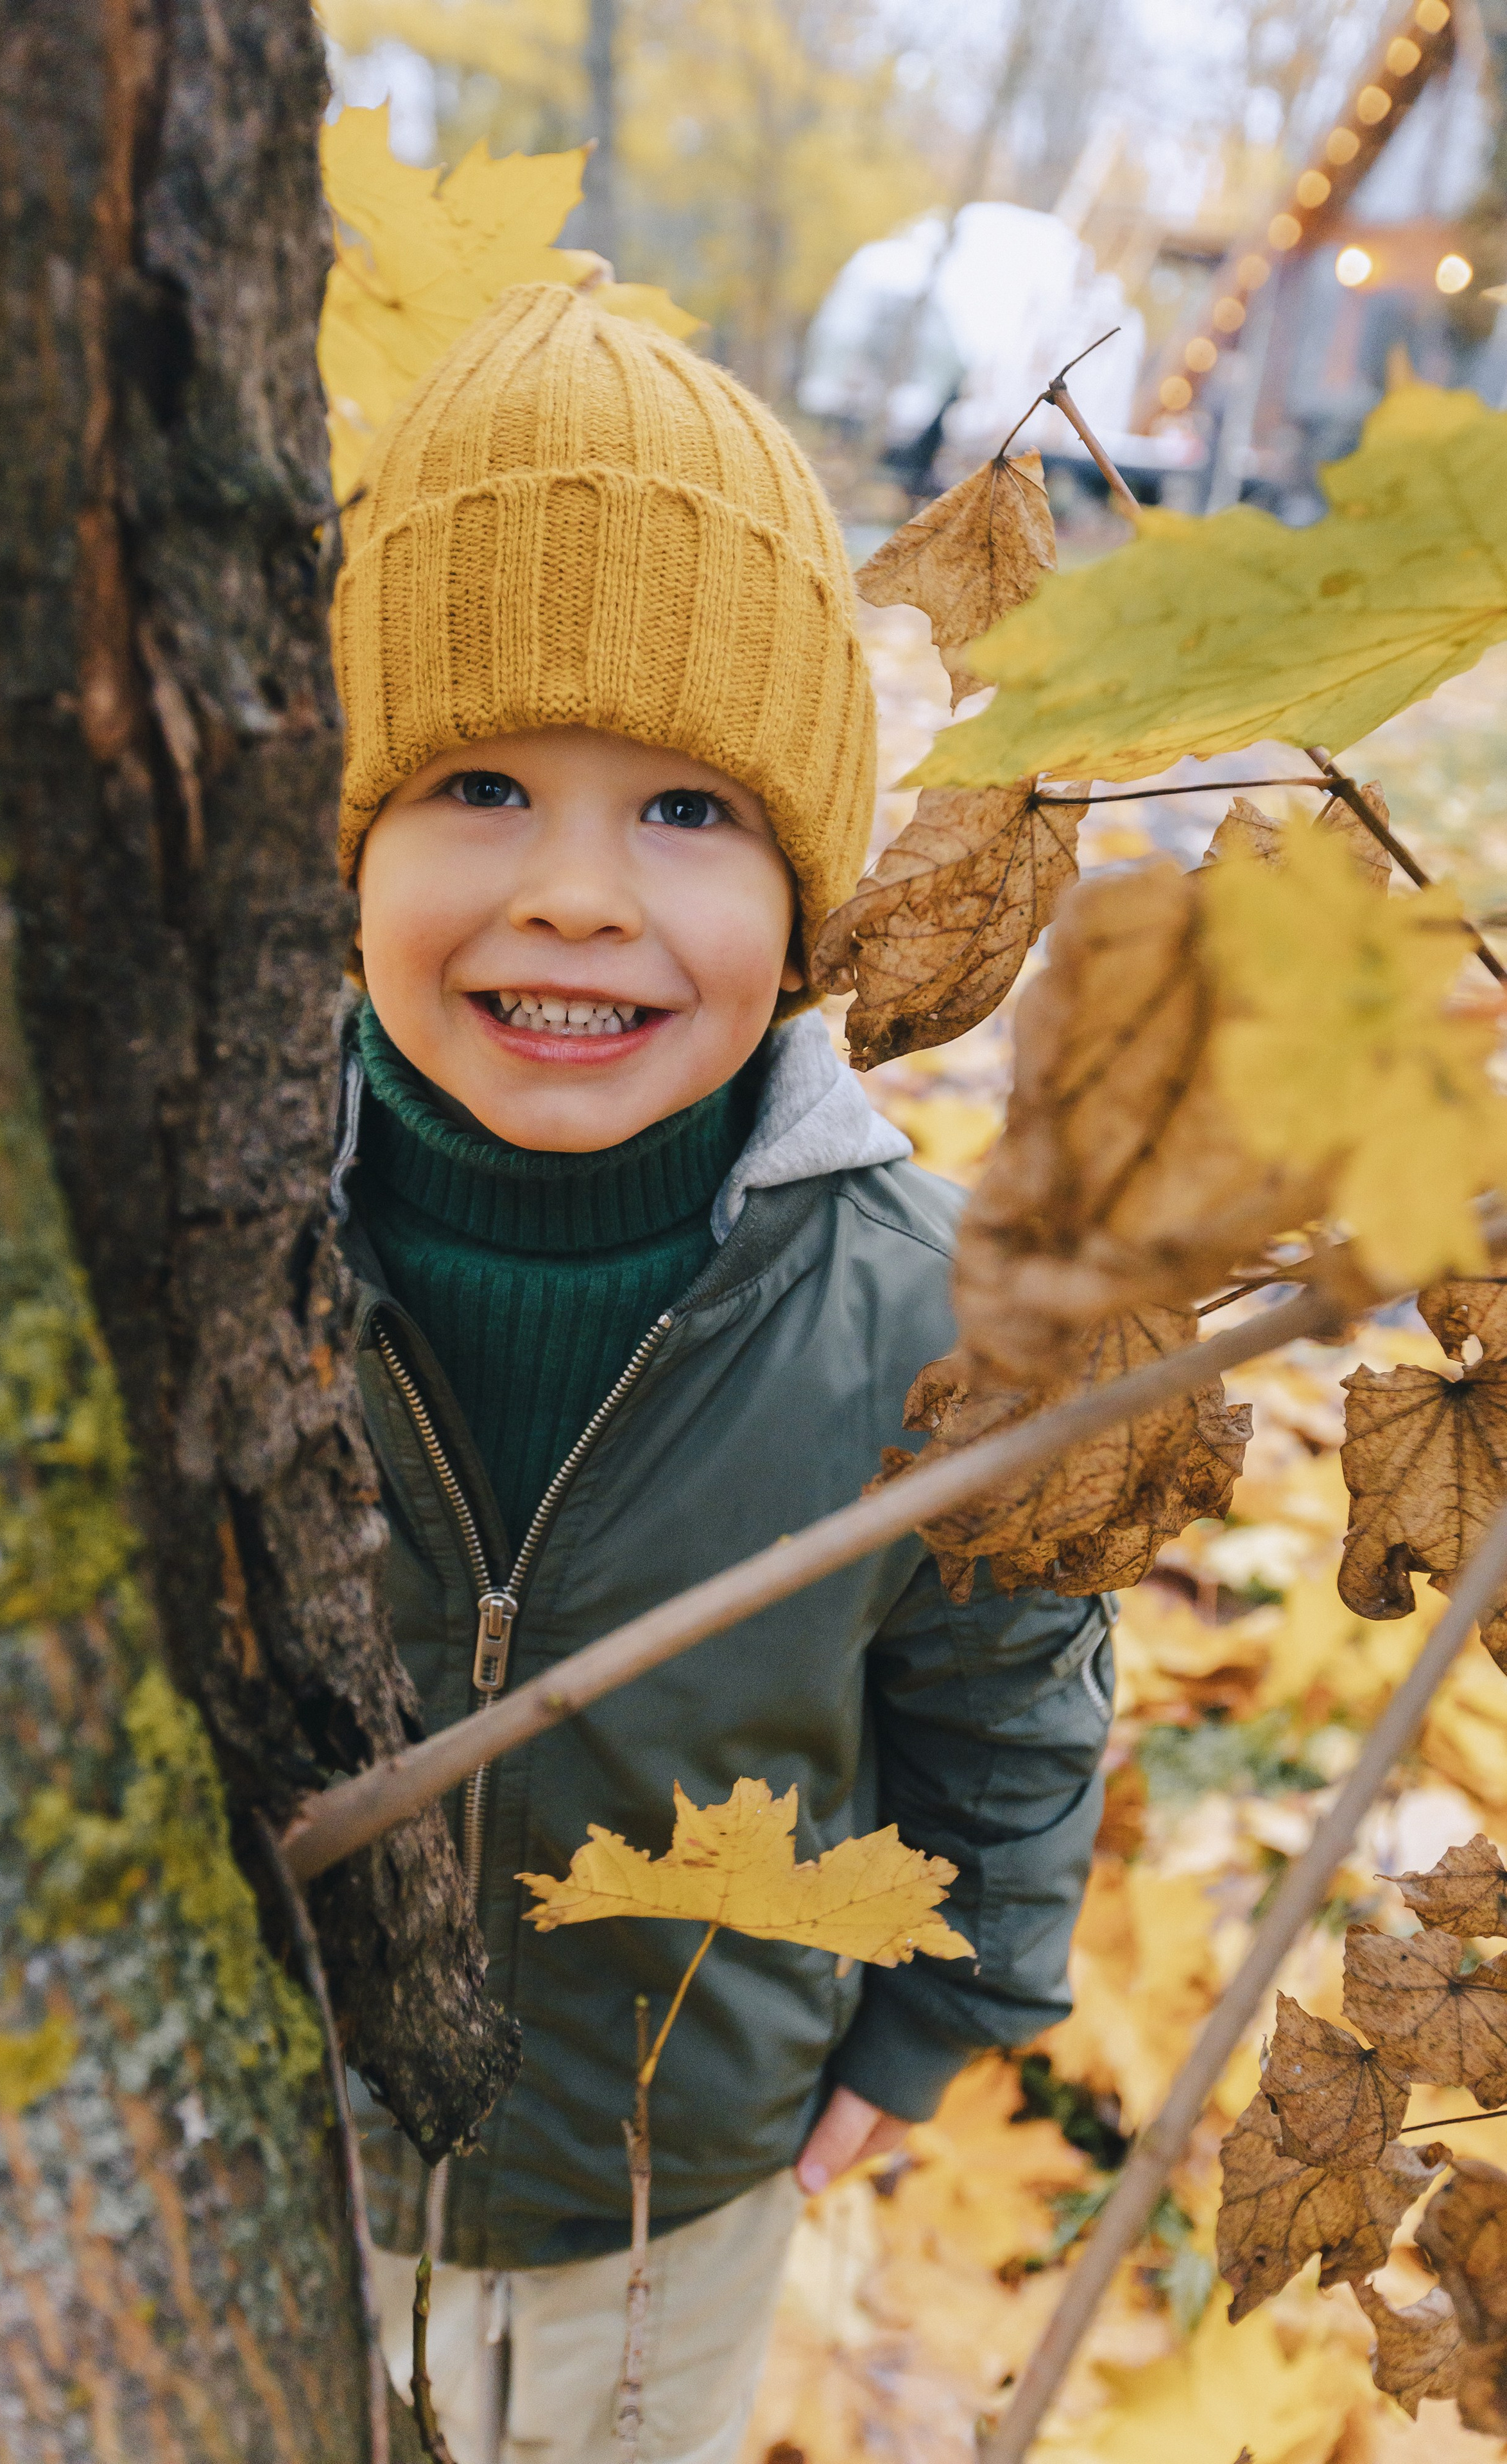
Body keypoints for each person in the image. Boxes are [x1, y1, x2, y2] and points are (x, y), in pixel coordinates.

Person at [328, 280, 1112, 2464]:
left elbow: (1009, 1687)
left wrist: (943, 2017)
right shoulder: (223, 1242)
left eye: (687, 813)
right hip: (268, 2135)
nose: (577, 896)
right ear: (350, 837)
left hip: (665, 2187)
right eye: (481, 786)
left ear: (806, 884)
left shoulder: (913, 1314)